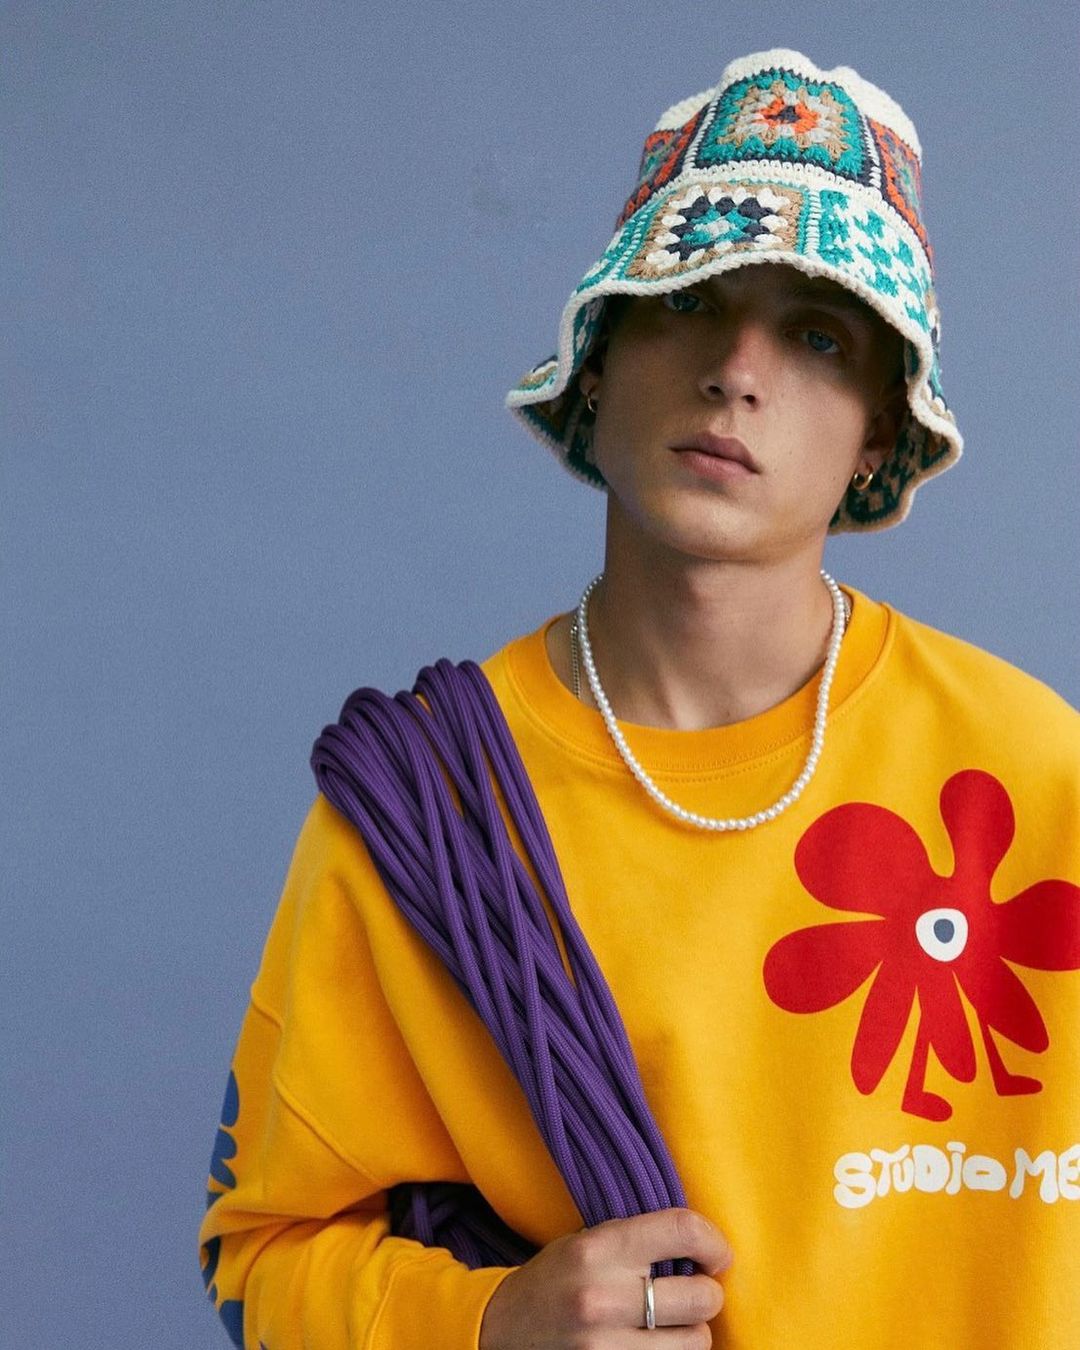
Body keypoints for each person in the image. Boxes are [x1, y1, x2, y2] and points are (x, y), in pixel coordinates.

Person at [197, 48, 1080, 1349]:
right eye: (687, 299)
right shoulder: (430, 808)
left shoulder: (1038, 780)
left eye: (819, 336)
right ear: (598, 360)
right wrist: (489, 1321)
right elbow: (258, 1259)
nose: (737, 369)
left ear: (878, 439)